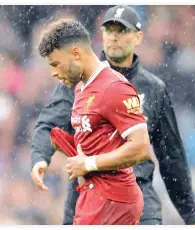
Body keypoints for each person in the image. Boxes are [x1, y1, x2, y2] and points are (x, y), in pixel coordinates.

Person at [31, 5, 195, 225]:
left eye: (122, 31)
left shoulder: (153, 88)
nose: (113, 38)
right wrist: (39, 158)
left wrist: (191, 216)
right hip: (87, 196)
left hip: (136, 199)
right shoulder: (75, 81)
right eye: (109, 31)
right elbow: (48, 125)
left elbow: (171, 156)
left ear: (138, 37)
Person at [33, 18, 151, 225]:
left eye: (56, 64)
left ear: (76, 54)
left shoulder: (114, 87)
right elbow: (97, 140)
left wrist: (87, 164)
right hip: (94, 196)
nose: (53, 72)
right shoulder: (80, 87)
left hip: (113, 200)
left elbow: (141, 148)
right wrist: (61, 147)